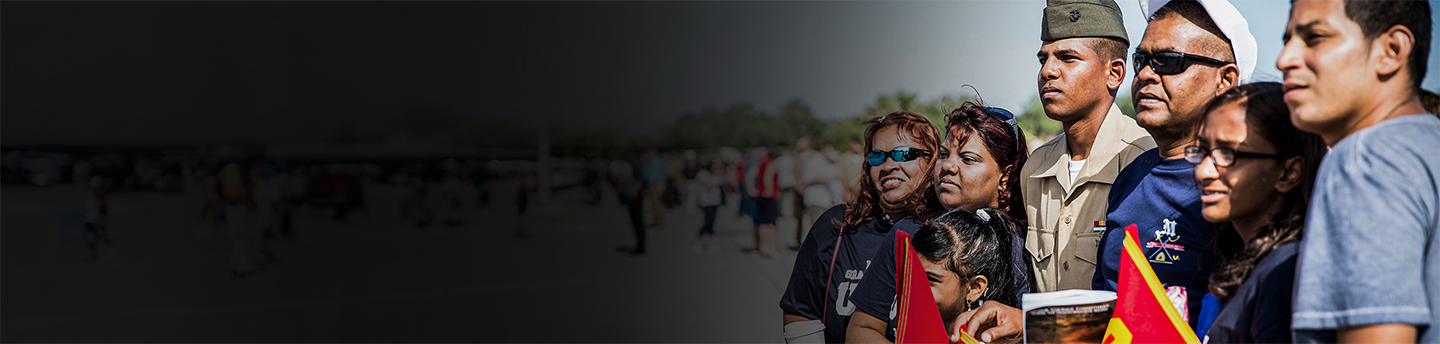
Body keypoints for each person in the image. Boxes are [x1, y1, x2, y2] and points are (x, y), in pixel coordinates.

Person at [1279, 0, 1438, 342]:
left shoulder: (1364, 161)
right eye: (1287, 39)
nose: (1285, 59)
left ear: (1391, 50)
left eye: (1315, 37)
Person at [1094, 0, 1253, 327]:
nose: (1146, 75)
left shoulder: (1234, 189)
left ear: (1225, 80)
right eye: (1142, 60)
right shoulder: (1131, 177)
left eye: (1168, 61)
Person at [846, 102, 1031, 343]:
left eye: (968, 159)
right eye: (943, 155)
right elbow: (861, 328)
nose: (948, 166)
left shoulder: (1025, 245)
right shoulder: (908, 233)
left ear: (1004, 177)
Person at [1022, 0, 1154, 294]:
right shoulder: (1035, 168)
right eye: (1043, 59)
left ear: (1114, 73)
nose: (1048, 71)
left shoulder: (1142, 160)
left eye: (1068, 58)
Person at [780, 111, 941, 343]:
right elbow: (800, 312)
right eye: (877, 156)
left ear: (934, 161)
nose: (888, 166)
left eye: (903, 154)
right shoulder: (837, 227)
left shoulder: (949, 235)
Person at [1187, 82, 1325, 343]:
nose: (1203, 172)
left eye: (1229, 154)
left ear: (1289, 172)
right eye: (1203, 151)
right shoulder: (1244, 257)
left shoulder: (1285, 271)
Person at [798, 136, 839, 242]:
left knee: (823, 226)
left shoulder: (825, 161)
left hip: (825, 200)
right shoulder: (814, 160)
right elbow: (807, 178)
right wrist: (825, 180)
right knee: (817, 226)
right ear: (824, 148)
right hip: (815, 199)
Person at [748, 145, 781, 258]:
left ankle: (762, 247)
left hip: (760, 195)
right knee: (771, 224)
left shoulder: (761, 163)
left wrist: (751, 189)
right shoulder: (771, 164)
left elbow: (749, 175)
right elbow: (768, 176)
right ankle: (770, 247)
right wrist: (769, 190)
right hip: (769, 197)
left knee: (762, 223)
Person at [694, 160, 724, 252]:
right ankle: (698, 239)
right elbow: (708, 187)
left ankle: (711, 240)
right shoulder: (703, 174)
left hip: (714, 201)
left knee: (712, 222)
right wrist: (717, 183)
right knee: (708, 221)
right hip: (706, 202)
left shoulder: (716, 175)